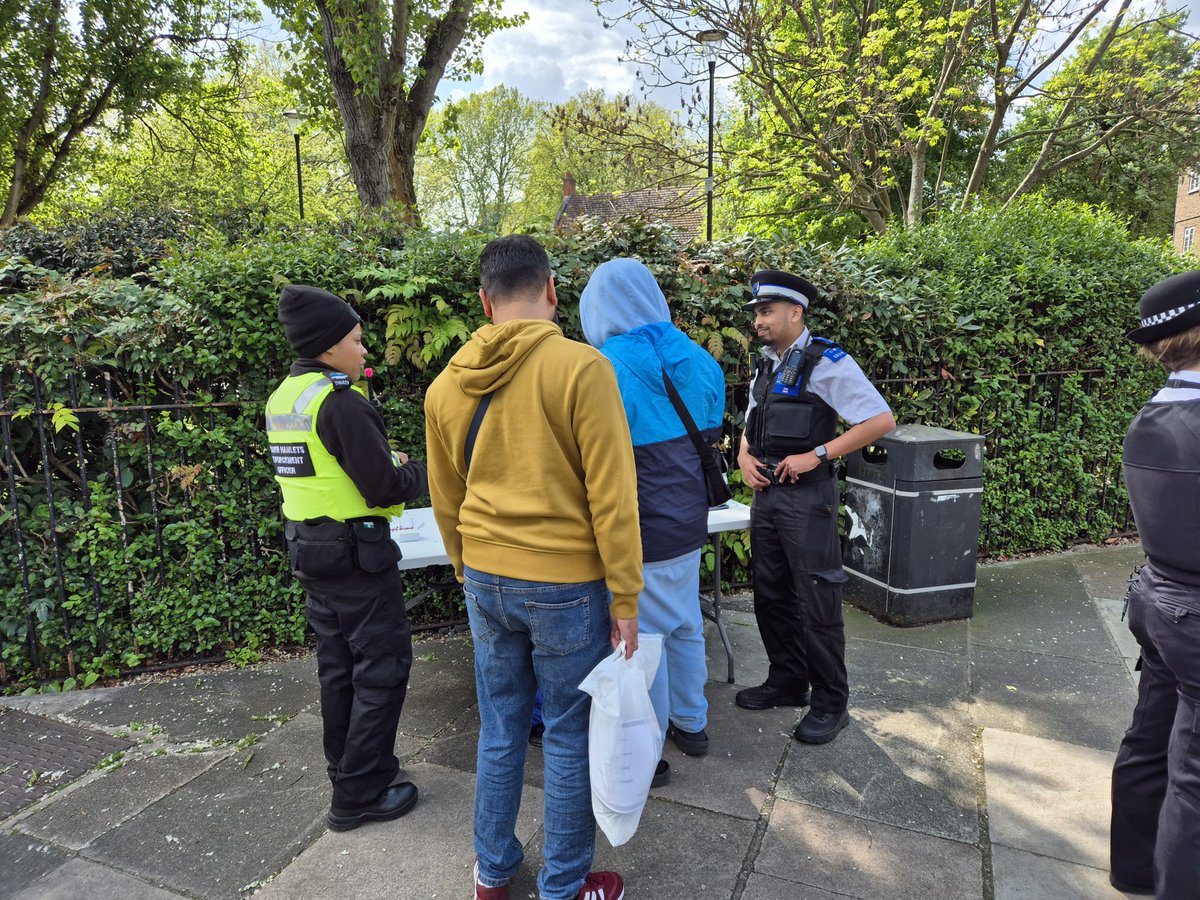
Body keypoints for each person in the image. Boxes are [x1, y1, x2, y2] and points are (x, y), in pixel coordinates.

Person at [424, 235, 642, 900]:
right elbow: (613, 492)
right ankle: (565, 886)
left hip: (485, 577)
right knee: (571, 734)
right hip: (565, 584)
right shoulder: (582, 369)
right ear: (552, 290)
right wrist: (626, 597)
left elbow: (446, 495)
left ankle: (492, 874)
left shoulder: (444, 386)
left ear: (485, 302)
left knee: (501, 725)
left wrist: (467, 568)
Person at [266, 284, 428, 831]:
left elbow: (324, 468)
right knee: (381, 670)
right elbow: (383, 488)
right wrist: (425, 472)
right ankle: (358, 794)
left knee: (339, 670)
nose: (364, 351)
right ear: (329, 345)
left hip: (312, 551)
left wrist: (381, 458)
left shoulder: (285, 398)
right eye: (357, 341)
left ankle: (350, 769)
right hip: (359, 558)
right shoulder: (340, 402)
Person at [579, 258, 726, 787]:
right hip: (690, 515)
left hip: (639, 521)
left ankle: (651, 745)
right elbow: (707, 431)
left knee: (646, 637)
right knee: (685, 620)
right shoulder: (700, 358)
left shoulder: (600, 366)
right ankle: (693, 722)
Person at [735, 269, 896, 745]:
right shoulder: (766, 363)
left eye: (766, 312)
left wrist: (818, 454)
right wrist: (744, 456)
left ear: (795, 312)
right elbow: (751, 422)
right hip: (767, 493)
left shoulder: (827, 362)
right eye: (757, 313)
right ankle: (787, 682)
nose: (758, 321)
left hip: (808, 499)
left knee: (816, 597)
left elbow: (880, 419)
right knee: (771, 592)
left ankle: (831, 701)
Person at [1109, 270, 1200, 898]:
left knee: (1151, 735)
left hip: (1157, 599)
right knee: (1193, 777)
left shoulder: (1154, 412)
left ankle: (1132, 870)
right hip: (1192, 610)